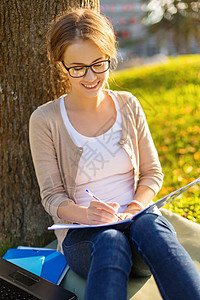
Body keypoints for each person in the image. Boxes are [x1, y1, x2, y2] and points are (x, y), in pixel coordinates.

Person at [29, 8, 200, 300]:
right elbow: (52, 197)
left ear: (110, 57)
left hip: (138, 226)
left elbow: (152, 173)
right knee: (109, 239)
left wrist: (134, 206)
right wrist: (87, 214)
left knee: (151, 225)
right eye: (78, 67)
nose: (90, 76)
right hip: (85, 238)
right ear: (61, 65)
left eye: (98, 64)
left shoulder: (129, 105)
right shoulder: (45, 120)